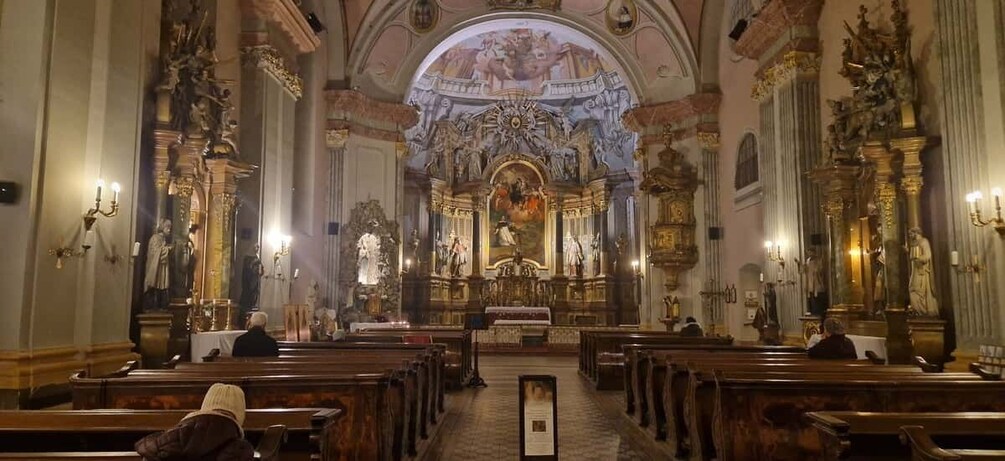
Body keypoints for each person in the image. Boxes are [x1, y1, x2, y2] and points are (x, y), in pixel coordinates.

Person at [134, 383, 254, 460]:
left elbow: (147, 450)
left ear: (205, 406)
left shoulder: (167, 439)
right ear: (240, 414)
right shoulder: (241, 450)